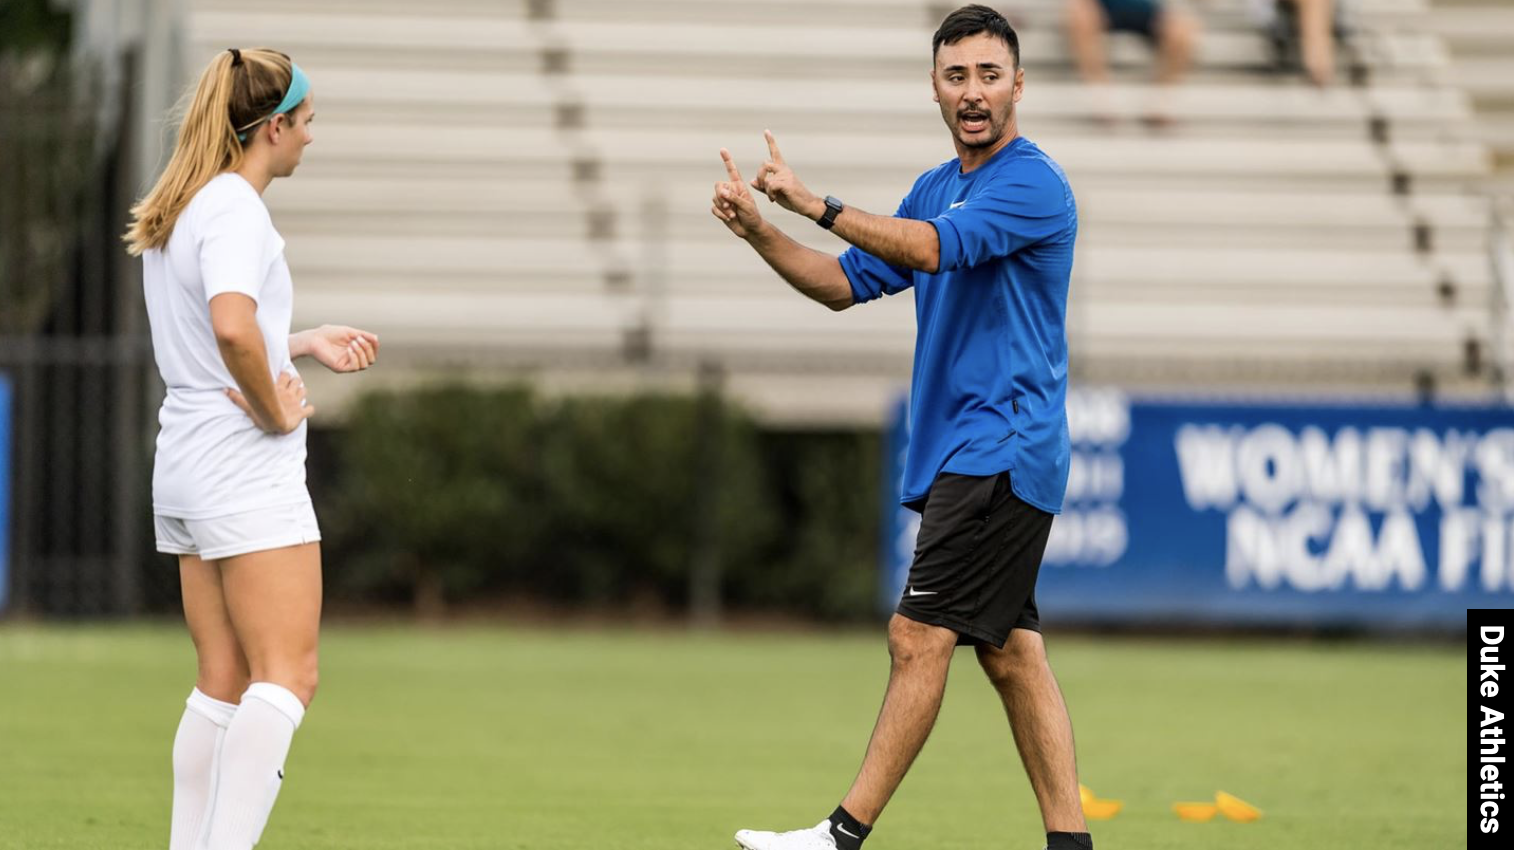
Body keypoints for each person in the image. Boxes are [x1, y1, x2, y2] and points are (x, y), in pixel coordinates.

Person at [711, 6, 1088, 850]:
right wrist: (761, 232)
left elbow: (928, 250)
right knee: (1013, 654)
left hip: (1003, 445)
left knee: (918, 634)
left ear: (1019, 85)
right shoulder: (933, 184)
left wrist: (816, 201)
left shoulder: (1033, 183)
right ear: (935, 88)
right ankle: (1072, 845)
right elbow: (843, 283)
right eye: (957, 76)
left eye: (990, 74)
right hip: (974, 449)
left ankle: (840, 837)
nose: (974, 92)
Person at [123, 47, 378, 850]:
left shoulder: (185, 202)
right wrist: (275, 410)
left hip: (189, 457)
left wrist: (297, 342)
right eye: (306, 124)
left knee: (222, 682)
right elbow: (231, 327)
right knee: (288, 675)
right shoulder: (235, 207)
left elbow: (221, 335)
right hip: (241, 461)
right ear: (271, 128)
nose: (311, 138)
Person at [1063, 0, 1200, 124]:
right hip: (1100, 7)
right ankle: (1100, 95)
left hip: (1146, 10)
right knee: (1079, 11)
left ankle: (1161, 101)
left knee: (1183, 27)